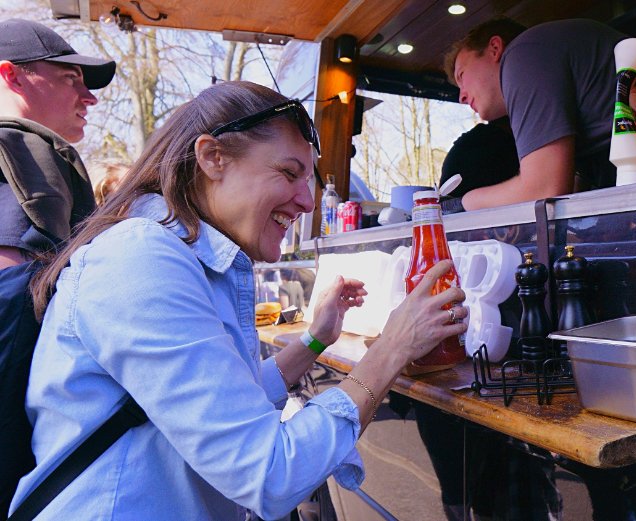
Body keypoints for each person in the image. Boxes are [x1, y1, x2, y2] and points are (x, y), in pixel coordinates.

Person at [10, 81, 469, 520]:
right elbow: (269, 473)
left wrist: (314, 341)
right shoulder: (140, 259)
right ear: (212, 158)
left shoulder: (177, 256)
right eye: (289, 173)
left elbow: (229, 402)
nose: (308, 202)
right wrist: (393, 347)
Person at [445, 18, 636, 210]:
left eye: (462, 76)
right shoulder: (545, 62)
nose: (462, 95)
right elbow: (569, 186)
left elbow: (543, 188)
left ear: (494, 48)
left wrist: (463, 204)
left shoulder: (522, 54)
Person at [0, 18, 114, 270]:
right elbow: (8, 290)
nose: (90, 98)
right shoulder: (18, 150)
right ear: (12, 76)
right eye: (71, 78)